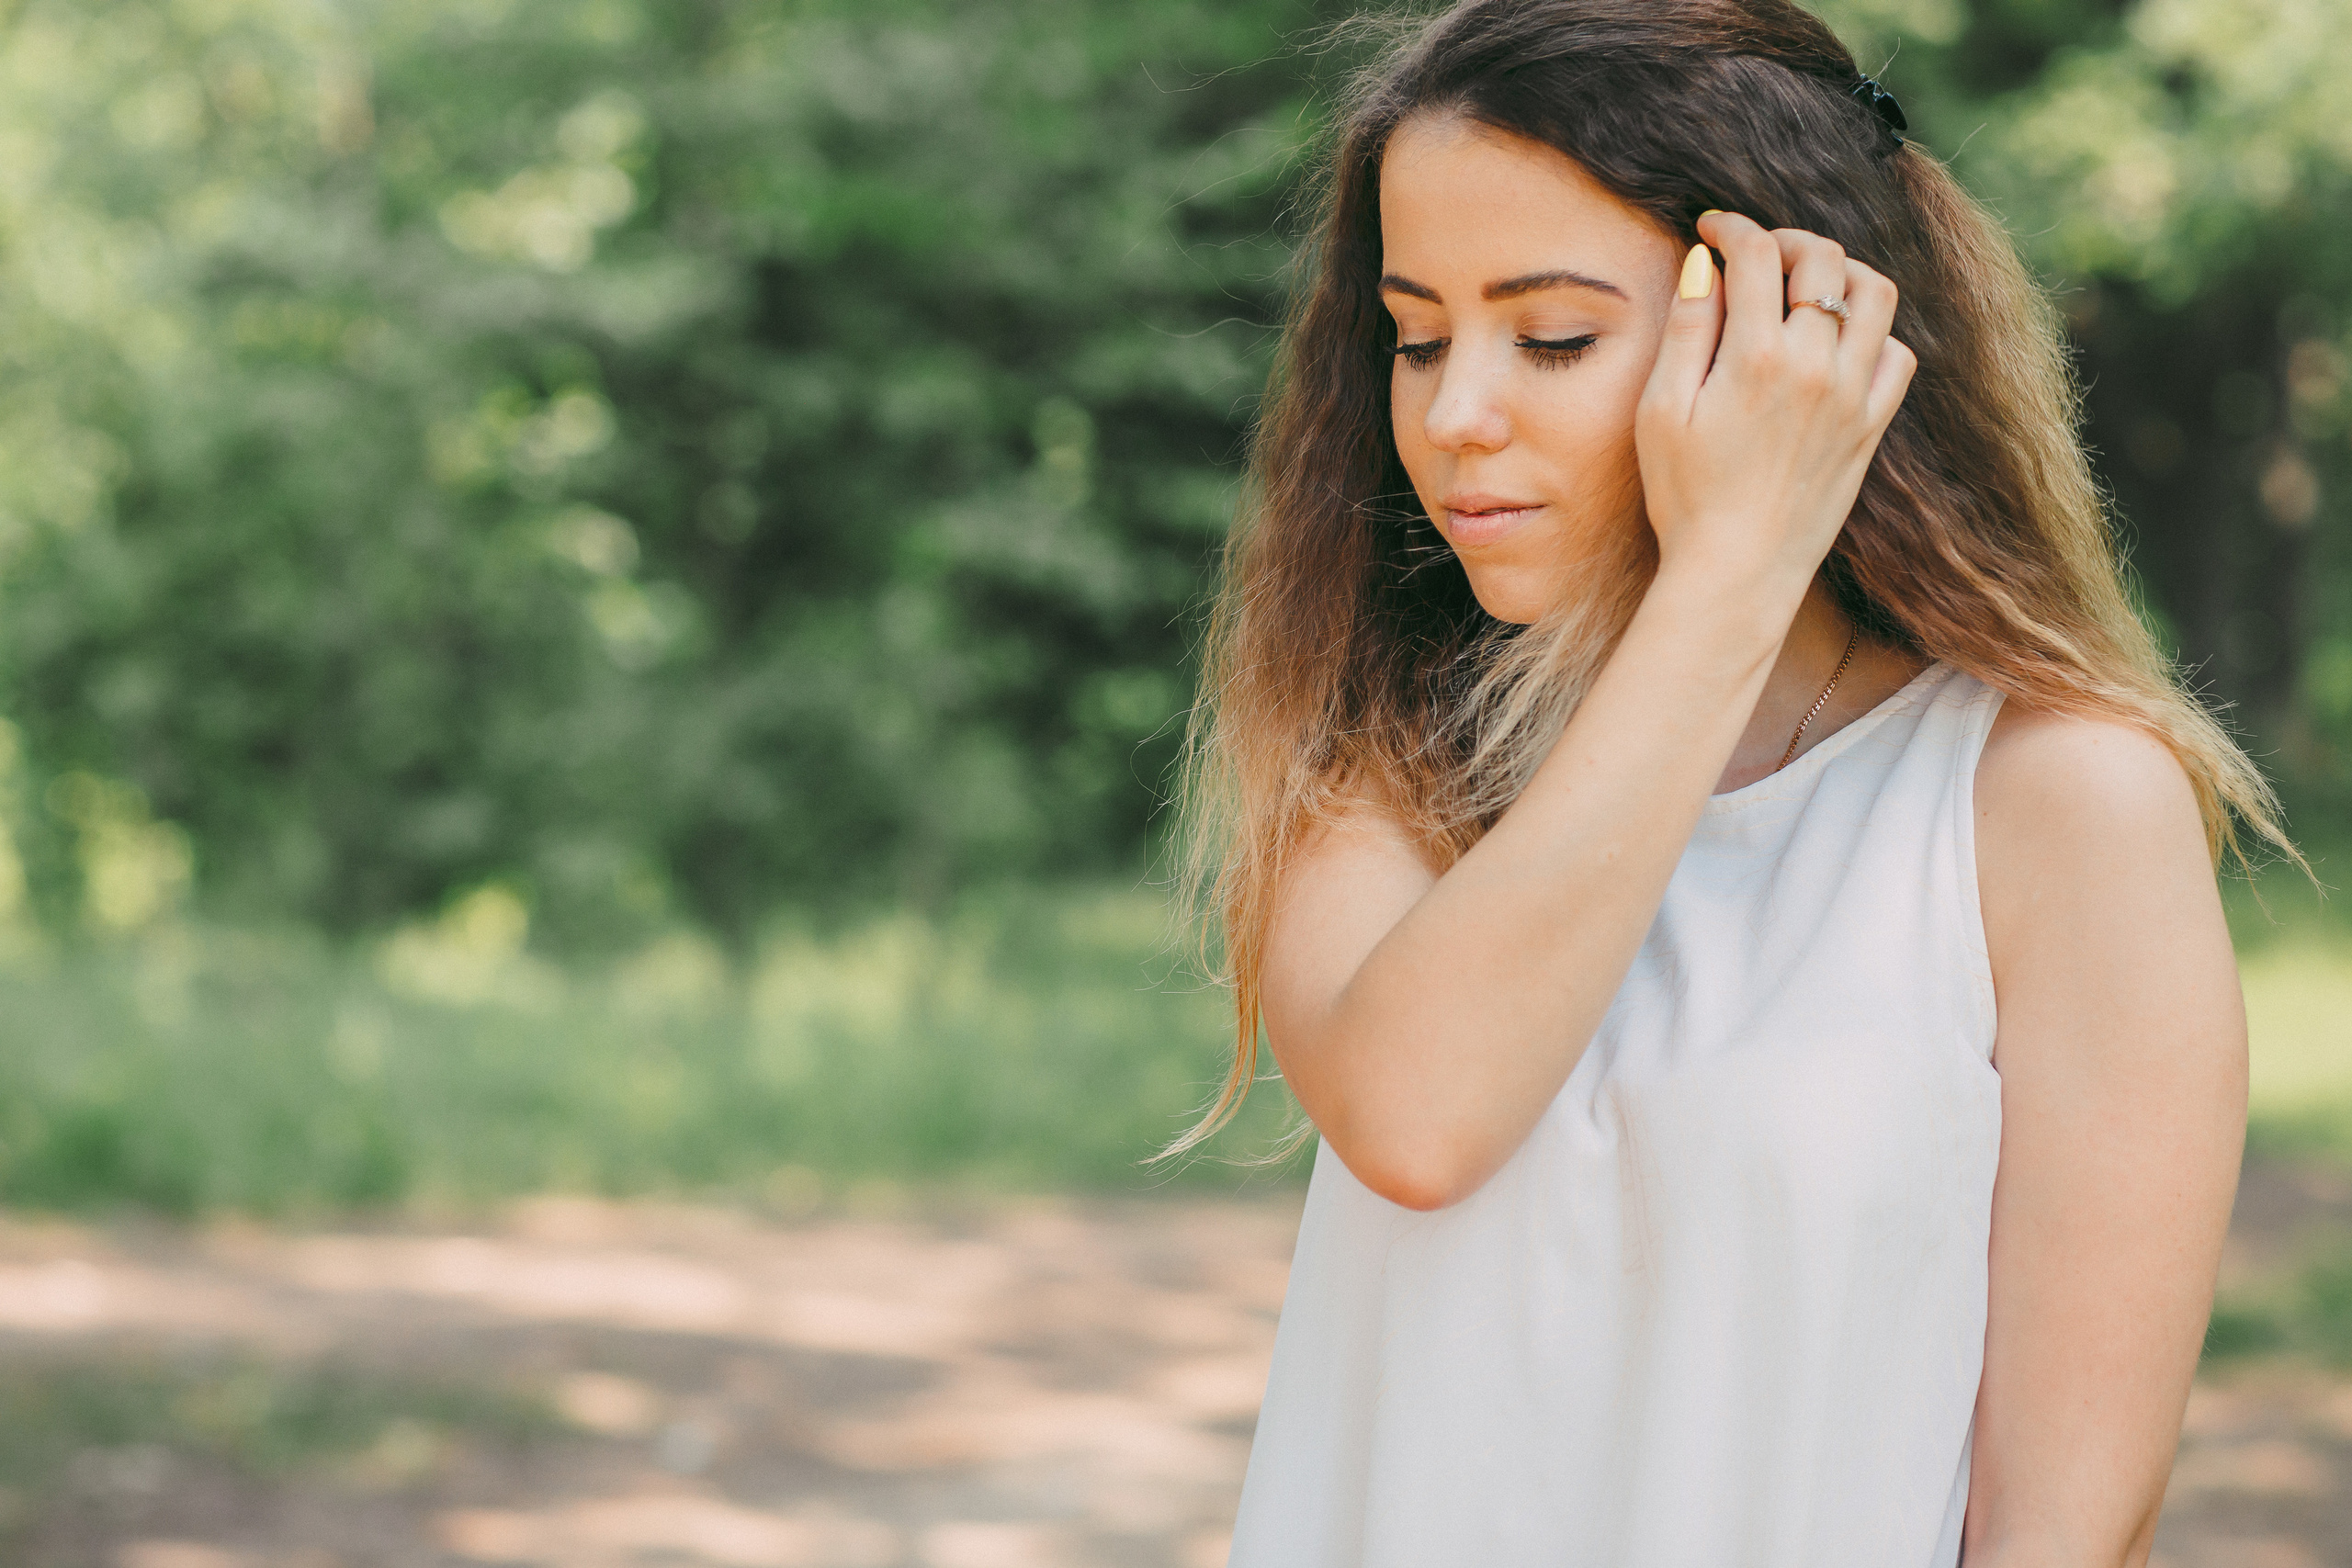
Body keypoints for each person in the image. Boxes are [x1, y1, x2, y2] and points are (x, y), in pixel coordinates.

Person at [1163, 1, 2293, 1562]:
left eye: (1551, 334)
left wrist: (1740, 554)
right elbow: (1420, 1116)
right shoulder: (1386, 765)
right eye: (1416, 334)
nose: (1453, 413)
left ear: (1787, 333)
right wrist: (1730, 587)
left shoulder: (2058, 806)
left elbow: (2064, 1529)